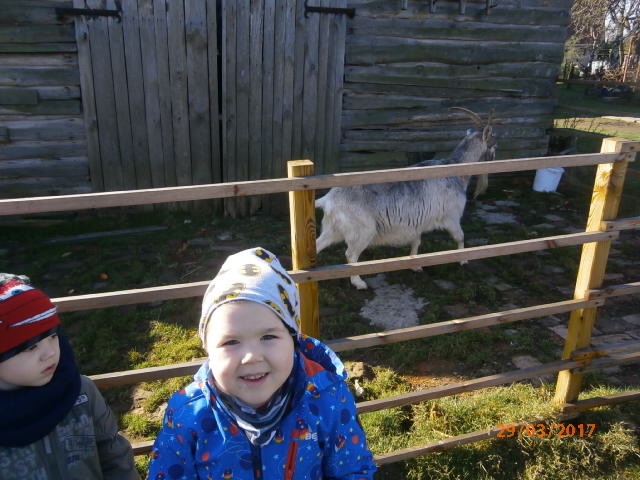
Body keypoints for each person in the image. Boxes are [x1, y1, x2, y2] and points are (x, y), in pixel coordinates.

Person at [148, 247, 376, 479]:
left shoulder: (327, 399)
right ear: (207, 348)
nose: (252, 356)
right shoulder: (187, 413)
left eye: (268, 337)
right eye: (231, 342)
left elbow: (352, 470)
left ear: (294, 340)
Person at [0, 273, 139, 480]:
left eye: (53, 336)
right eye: (31, 347)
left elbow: (114, 455)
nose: (50, 353)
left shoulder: (81, 391)